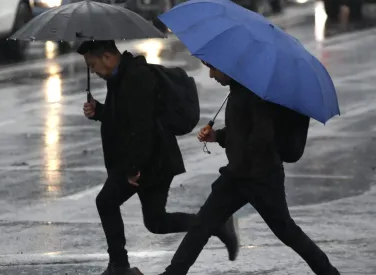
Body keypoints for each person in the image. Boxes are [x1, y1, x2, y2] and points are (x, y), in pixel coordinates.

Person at [157, 62, 341, 275]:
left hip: (261, 178)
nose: (210, 75)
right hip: (238, 176)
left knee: (287, 231)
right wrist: (218, 136)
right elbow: (241, 132)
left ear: (228, 68)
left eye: (214, 69)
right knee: (202, 225)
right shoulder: (239, 90)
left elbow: (262, 136)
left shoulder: (254, 94)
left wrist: (243, 158)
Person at [78, 41, 239, 275]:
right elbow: (124, 118)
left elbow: (141, 127)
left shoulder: (135, 78)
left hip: (150, 161)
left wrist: (132, 167)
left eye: (92, 64)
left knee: (106, 201)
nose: (93, 71)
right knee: (156, 221)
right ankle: (215, 223)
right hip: (152, 160)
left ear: (107, 57)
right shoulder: (121, 77)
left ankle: (120, 266)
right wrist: (99, 111)